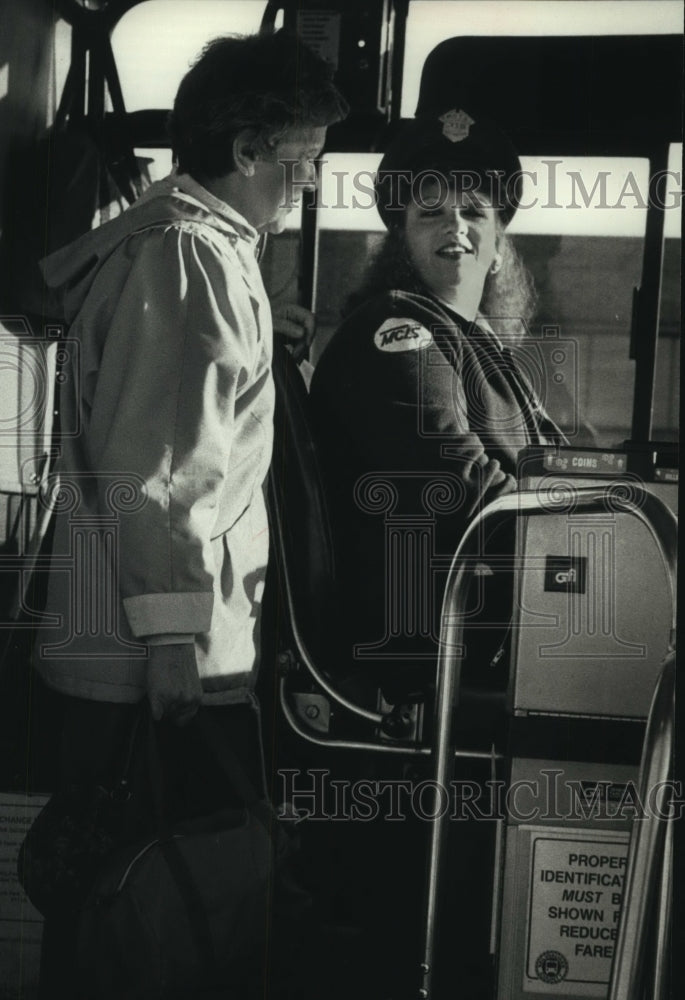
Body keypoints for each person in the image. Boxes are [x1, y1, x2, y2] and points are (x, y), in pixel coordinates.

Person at [33, 30, 347, 999]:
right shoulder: (187, 262)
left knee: (131, 902)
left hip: (129, 636)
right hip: (157, 650)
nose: (310, 179)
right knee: (160, 909)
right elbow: (163, 463)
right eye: (304, 156)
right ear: (250, 150)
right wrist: (172, 634)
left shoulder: (190, 251)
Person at [310, 109, 566, 700]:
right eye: (430, 213)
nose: (456, 221)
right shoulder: (397, 334)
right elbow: (468, 493)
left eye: (476, 212)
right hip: (429, 663)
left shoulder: (482, 348)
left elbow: (560, 465)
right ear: (400, 243)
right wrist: (606, 536)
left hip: (490, 638)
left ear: (499, 248)